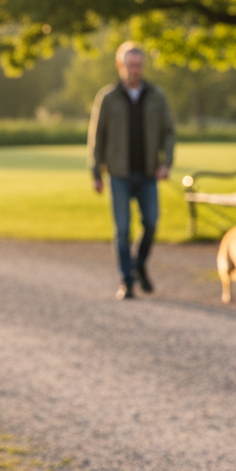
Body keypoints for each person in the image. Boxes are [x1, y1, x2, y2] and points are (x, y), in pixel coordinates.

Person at [88, 42, 176, 299]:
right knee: (123, 229)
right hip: (119, 173)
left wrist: (166, 162)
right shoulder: (108, 97)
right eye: (130, 65)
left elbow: (168, 133)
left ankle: (138, 265)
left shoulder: (156, 96)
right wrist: (96, 173)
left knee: (151, 222)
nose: (135, 70)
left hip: (148, 173)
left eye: (139, 65)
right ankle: (127, 280)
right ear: (120, 66)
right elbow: (97, 137)